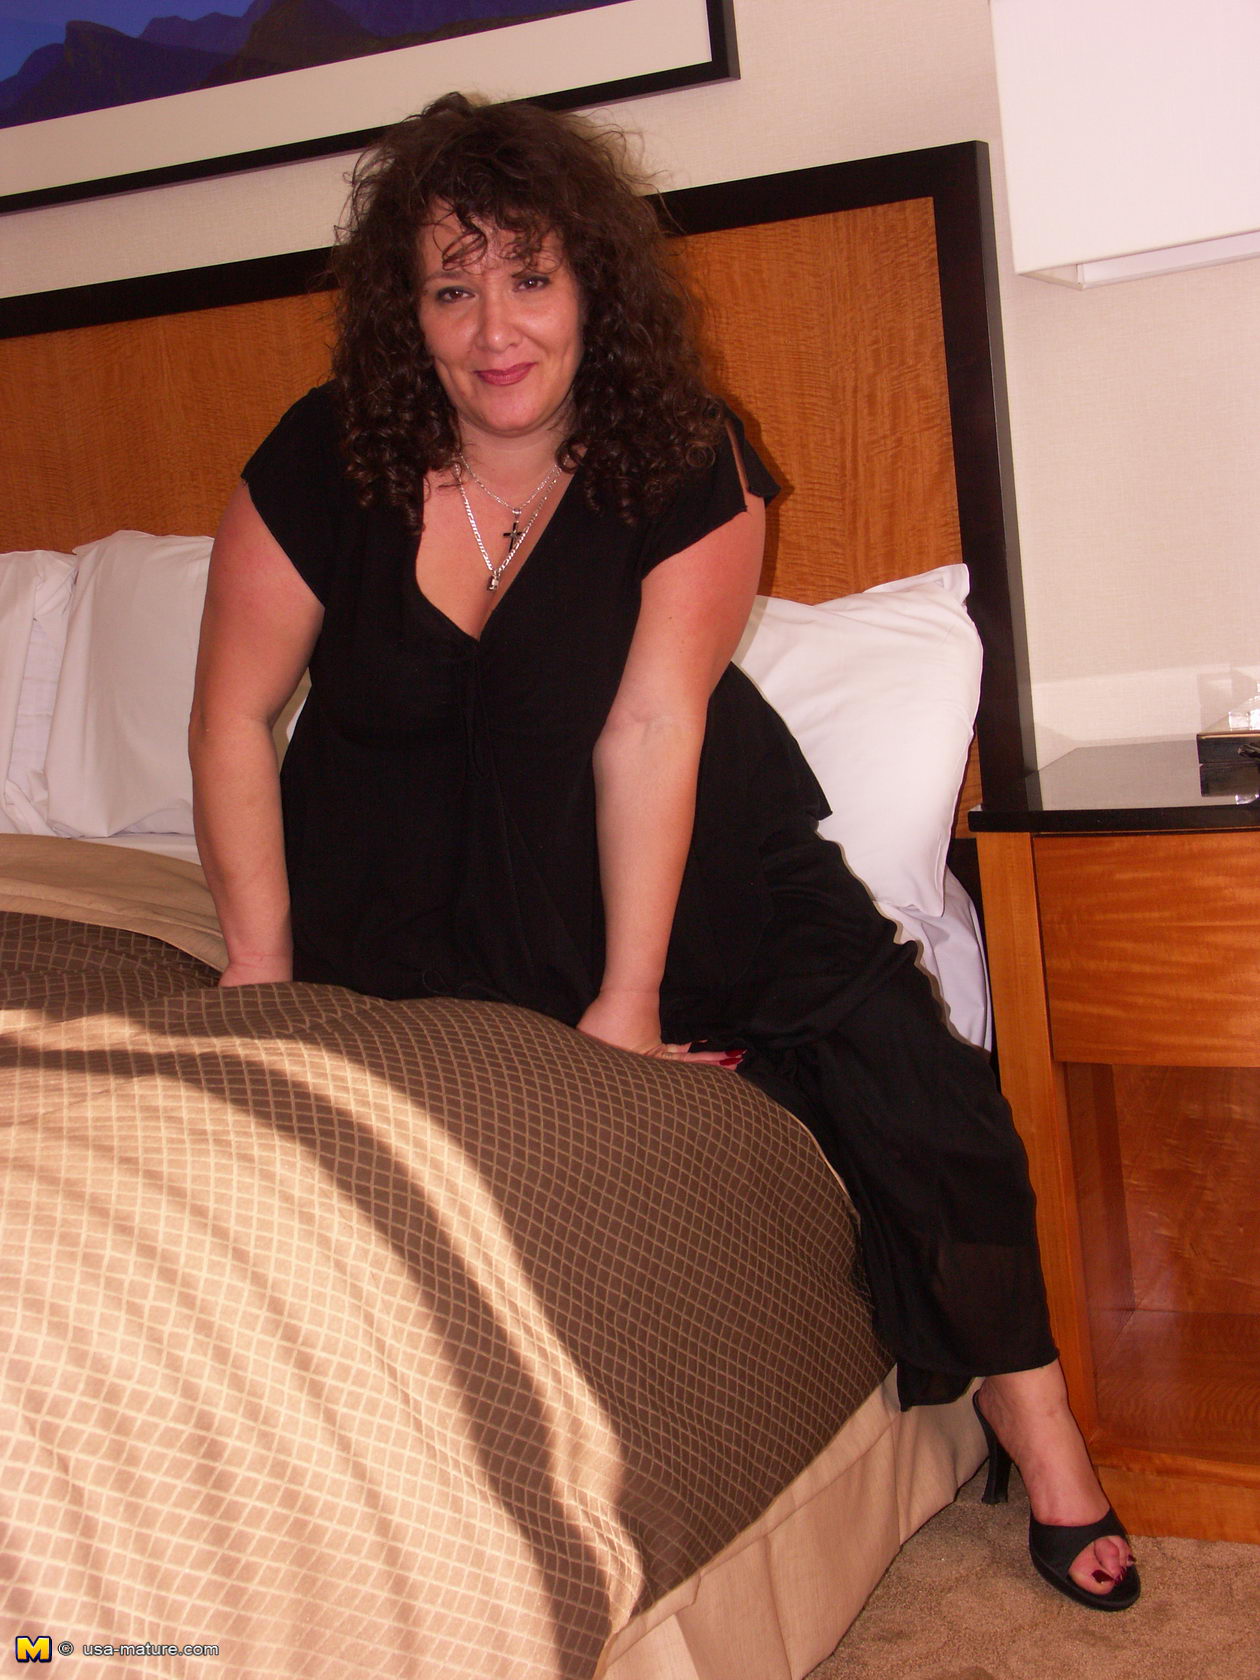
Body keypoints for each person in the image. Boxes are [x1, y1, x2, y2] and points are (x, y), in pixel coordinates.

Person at [189, 91, 1138, 1612]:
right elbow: (234, 717)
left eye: (531, 276)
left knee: (915, 1080)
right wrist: (257, 966)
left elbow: (650, 732)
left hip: (686, 863)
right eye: (451, 288)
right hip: (421, 903)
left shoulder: (683, 458)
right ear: (405, 314)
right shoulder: (329, 454)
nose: (496, 328)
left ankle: (1043, 1434)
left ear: (592, 285)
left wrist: (627, 1004)